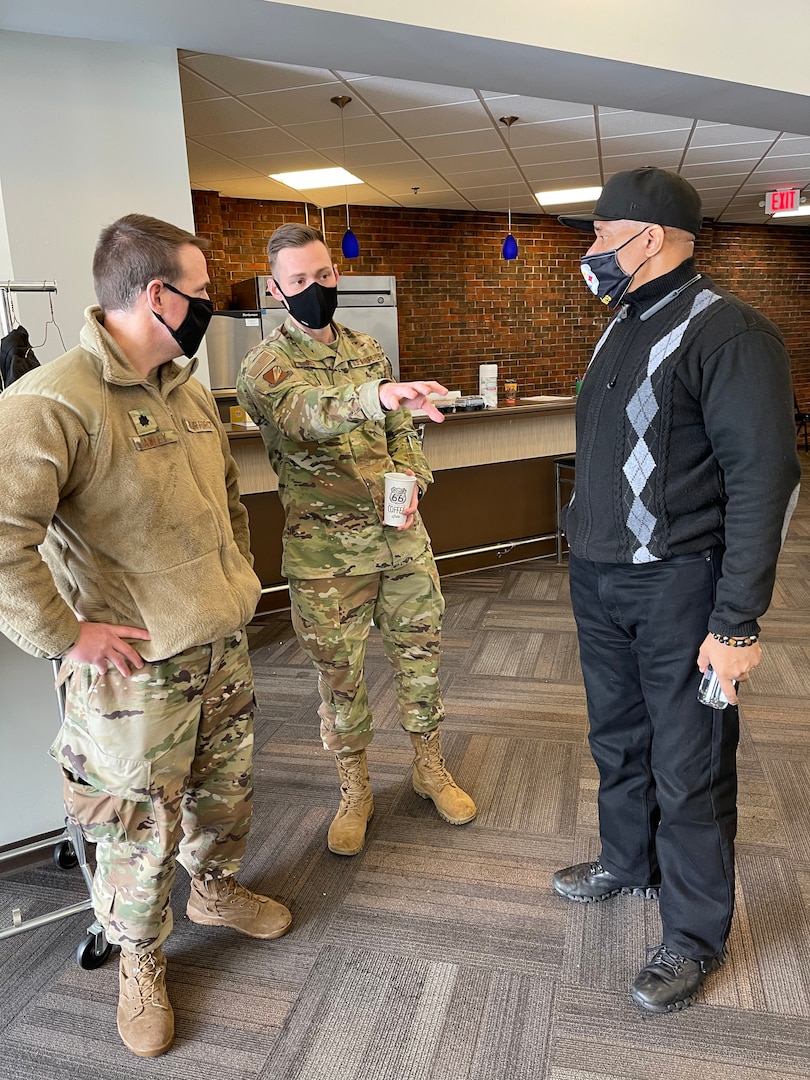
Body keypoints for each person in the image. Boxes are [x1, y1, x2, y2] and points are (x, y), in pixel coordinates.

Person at [0, 215, 292, 1058]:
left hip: (218, 643)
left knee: (223, 791)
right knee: (136, 824)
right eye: (200, 293)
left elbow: (230, 506)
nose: (209, 305)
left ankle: (216, 890)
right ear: (156, 295)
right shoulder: (51, 402)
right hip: (134, 672)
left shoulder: (188, 387)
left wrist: (236, 583)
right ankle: (140, 957)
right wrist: (67, 634)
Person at [553, 168, 801, 1013]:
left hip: (680, 589)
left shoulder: (729, 334)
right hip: (600, 580)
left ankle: (693, 937)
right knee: (618, 739)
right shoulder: (621, 325)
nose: (590, 253)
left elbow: (764, 480)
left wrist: (736, 623)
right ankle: (628, 862)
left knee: (689, 763)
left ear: (646, 238)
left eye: (598, 235)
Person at [237, 223, 476, 858]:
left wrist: (413, 480)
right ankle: (355, 789)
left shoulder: (370, 350)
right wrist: (377, 396)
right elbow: (308, 413)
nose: (314, 288)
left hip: (399, 538)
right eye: (298, 280)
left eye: (323, 275)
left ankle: (428, 765)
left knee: (421, 656)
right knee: (340, 676)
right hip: (325, 553)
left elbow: (401, 430)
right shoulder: (265, 366)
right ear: (275, 288)